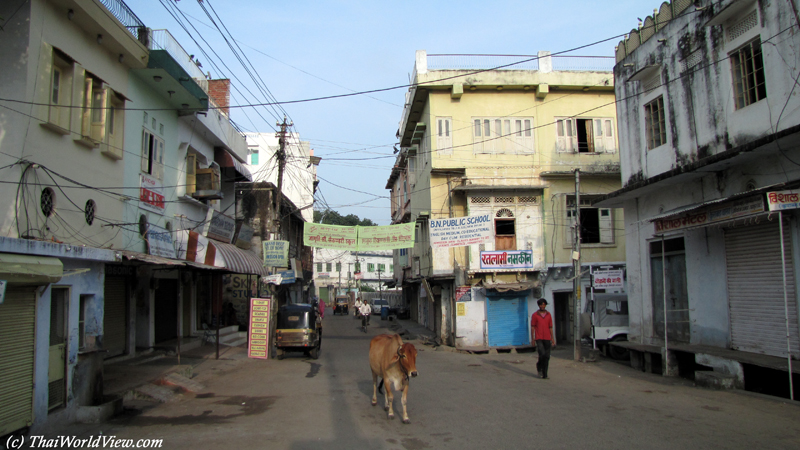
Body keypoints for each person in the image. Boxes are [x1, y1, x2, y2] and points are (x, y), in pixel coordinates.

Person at [531, 298, 555, 379]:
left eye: (544, 304)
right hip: (539, 337)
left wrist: (552, 338)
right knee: (542, 354)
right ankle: (539, 366)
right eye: (541, 304)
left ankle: (545, 374)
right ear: (539, 305)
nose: (542, 306)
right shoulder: (535, 315)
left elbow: (550, 327)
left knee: (547, 356)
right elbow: (533, 327)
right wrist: (533, 339)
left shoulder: (549, 315)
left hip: (547, 337)